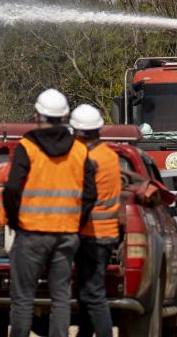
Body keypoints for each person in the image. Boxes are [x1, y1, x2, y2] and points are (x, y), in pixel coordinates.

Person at [2, 90, 96, 337]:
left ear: (37, 115)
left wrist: (15, 221)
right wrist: (76, 222)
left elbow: (11, 189)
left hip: (31, 233)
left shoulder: (27, 147)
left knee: (23, 299)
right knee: (61, 298)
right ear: (64, 117)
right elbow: (90, 194)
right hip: (65, 235)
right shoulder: (79, 150)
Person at [69, 104, 120, 337]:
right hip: (106, 233)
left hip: (92, 234)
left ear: (79, 132)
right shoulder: (109, 155)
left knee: (93, 294)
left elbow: (84, 197)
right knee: (88, 293)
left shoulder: (87, 158)